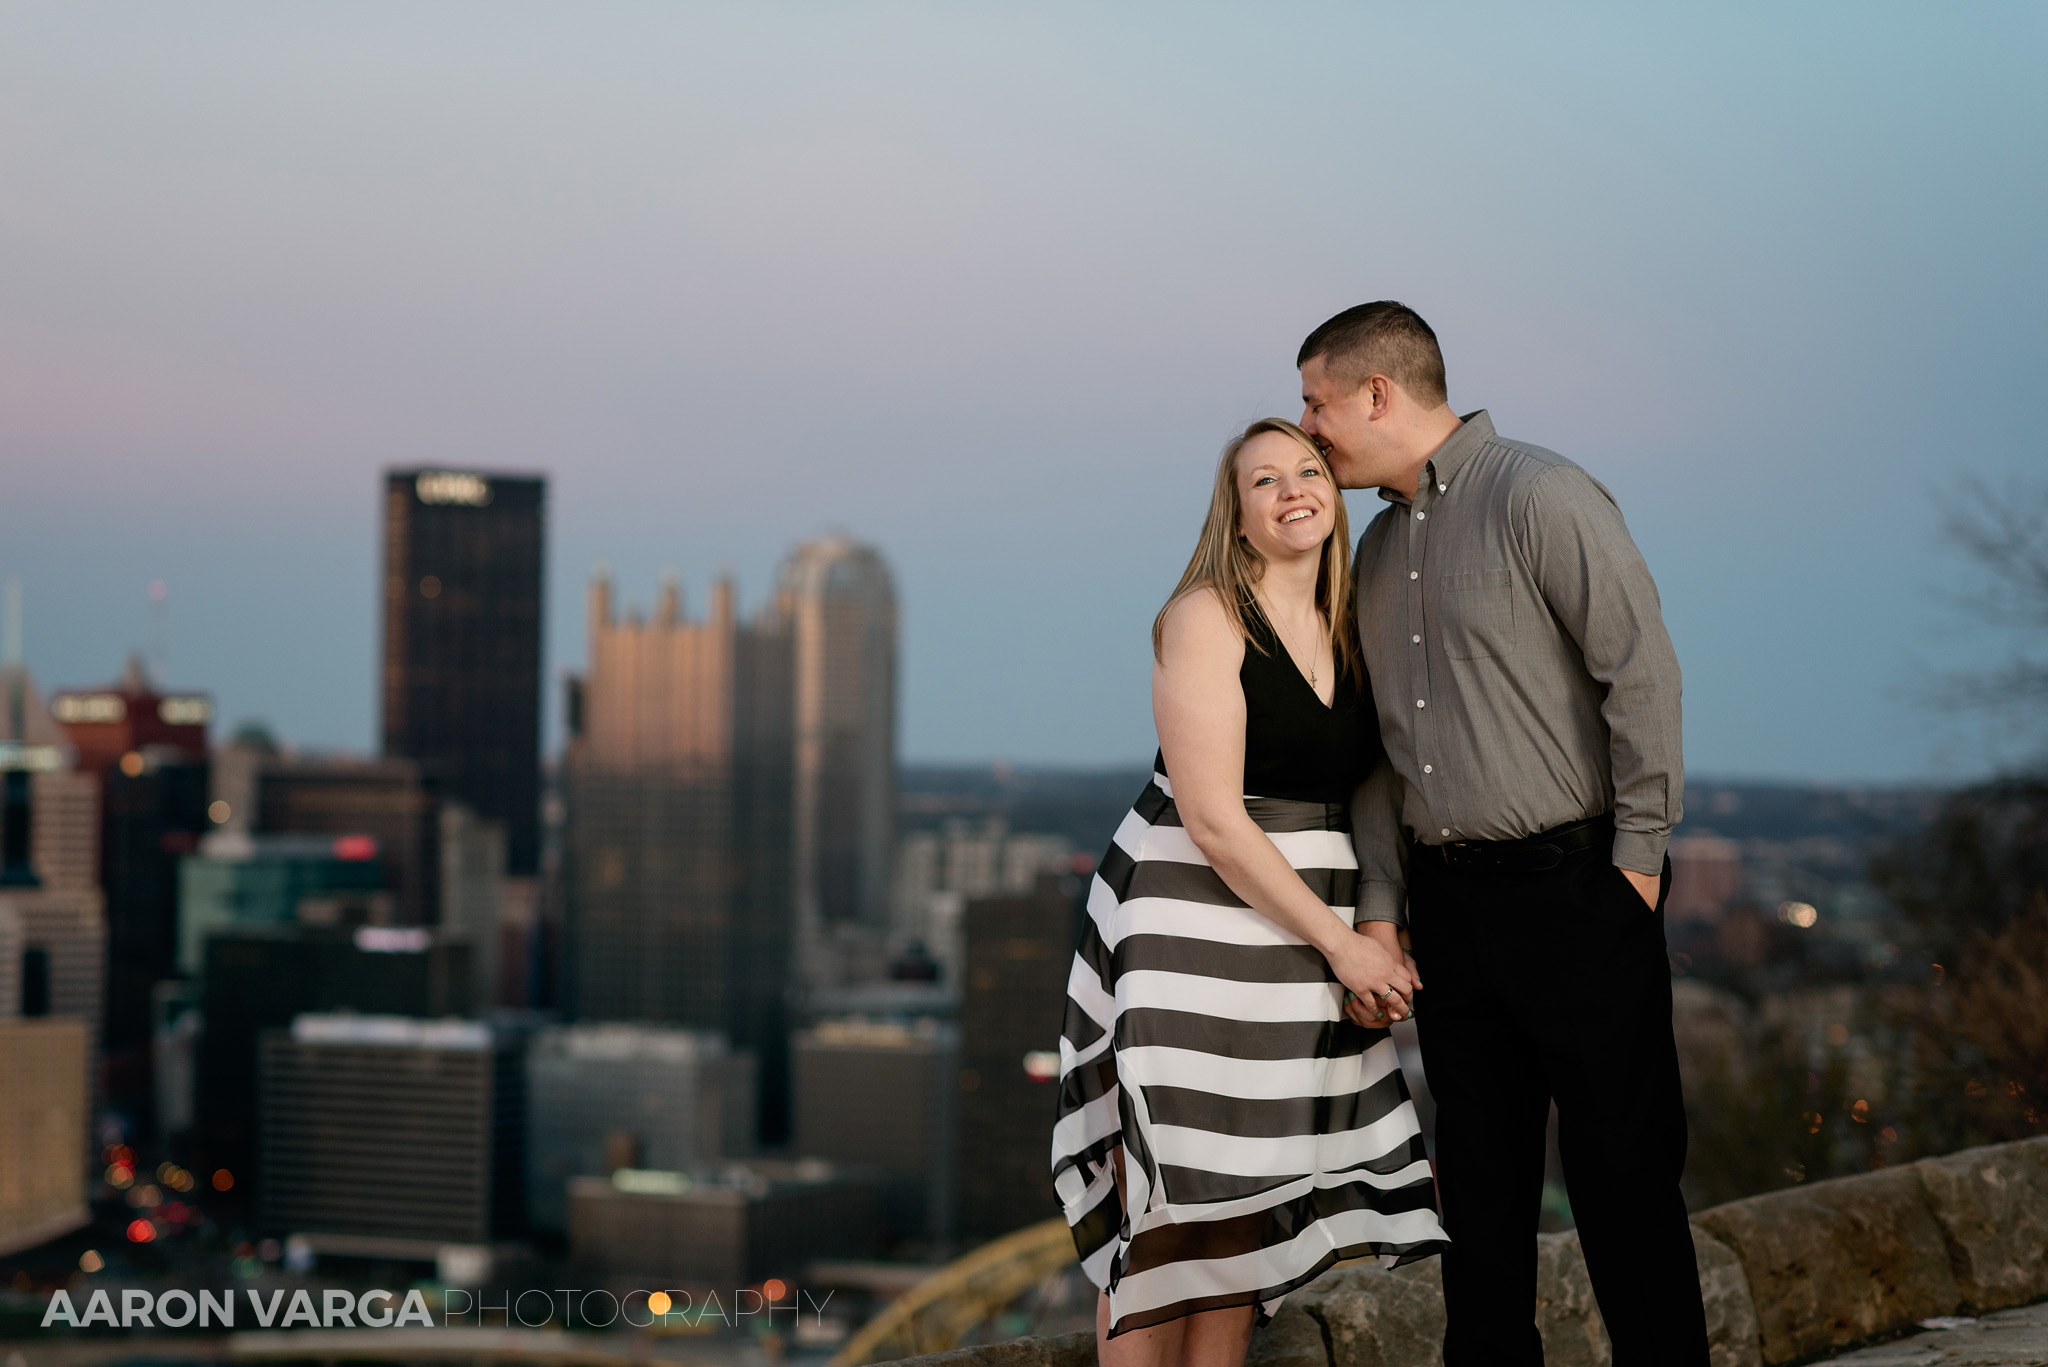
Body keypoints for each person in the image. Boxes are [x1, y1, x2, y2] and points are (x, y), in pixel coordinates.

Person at [1297, 301, 1707, 1365]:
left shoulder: (1541, 492)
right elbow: (1384, 754)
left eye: (1316, 401)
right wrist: (1385, 907)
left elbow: (1641, 674)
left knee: (1622, 1182)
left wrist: (1636, 865)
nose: (1307, 428)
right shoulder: (1376, 551)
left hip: (1576, 891)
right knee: (1475, 1198)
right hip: (1448, 910)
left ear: (1376, 393)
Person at [1051, 418, 1448, 1367]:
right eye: (1262, 479)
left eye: (1307, 469)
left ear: (1335, 492)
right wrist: (1345, 945)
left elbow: (1374, 789)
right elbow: (1216, 821)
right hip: (1188, 924)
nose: (1291, 488)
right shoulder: (1206, 615)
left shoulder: (1358, 623)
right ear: (1236, 517)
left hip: (1297, 933)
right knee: (1169, 1203)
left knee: (1251, 1201)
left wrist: (1372, 932)